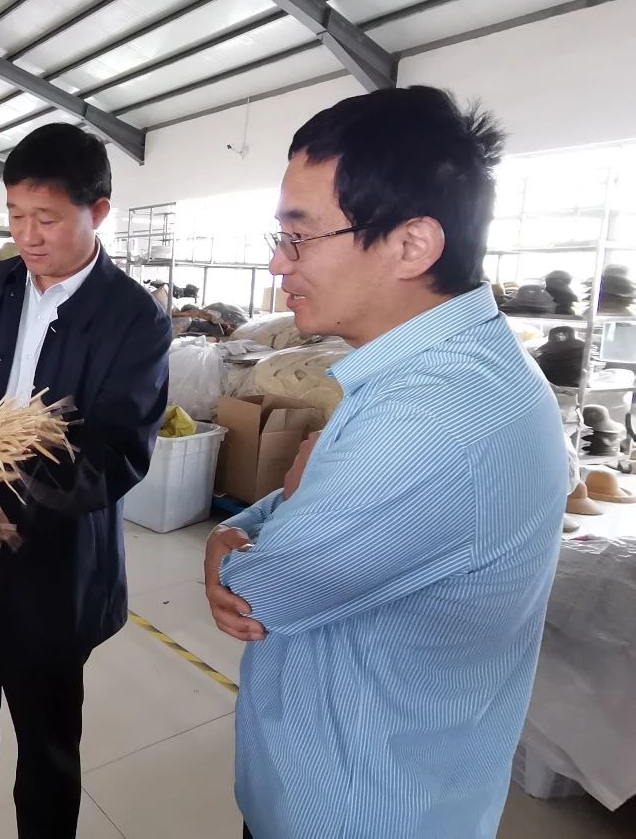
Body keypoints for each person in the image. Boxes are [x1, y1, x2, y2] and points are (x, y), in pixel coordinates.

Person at [203, 86, 567, 839]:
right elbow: (295, 507)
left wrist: (239, 539)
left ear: (412, 244)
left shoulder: (439, 414)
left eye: (299, 236)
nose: (277, 262)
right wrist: (267, 512)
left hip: (360, 809)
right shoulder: (440, 370)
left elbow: (257, 594)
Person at [0, 123, 171, 838]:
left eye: (45, 218)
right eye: (15, 215)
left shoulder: (133, 319)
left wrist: (4, 477)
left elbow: (117, 455)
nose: (26, 235)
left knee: (46, 751)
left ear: (97, 211)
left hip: (52, 568)